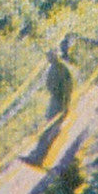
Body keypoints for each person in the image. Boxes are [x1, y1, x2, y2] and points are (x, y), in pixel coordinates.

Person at [24, 36, 76, 166]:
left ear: (55, 55)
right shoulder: (54, 67)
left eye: (50, 55)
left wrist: (63, 107)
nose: (48, 57)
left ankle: (38, 158)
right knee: (47, 129)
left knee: (50, 130)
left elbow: (66, 88)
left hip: (59, 103)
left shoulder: (61, 69)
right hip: (55, 100)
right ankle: (36, 155)